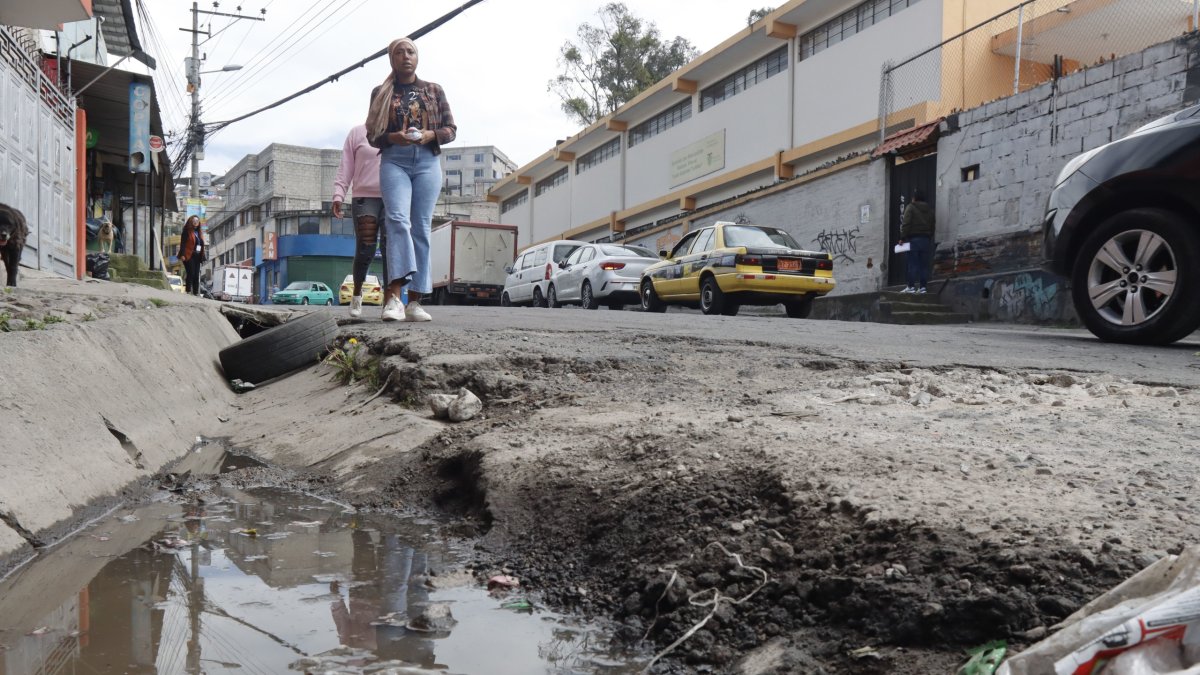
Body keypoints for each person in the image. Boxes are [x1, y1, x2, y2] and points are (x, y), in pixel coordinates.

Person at [366, 37, 457, 322]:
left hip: (427, 161)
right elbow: (372, 136)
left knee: (420, 226)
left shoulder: (433, 90)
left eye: (411, 51)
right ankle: (393, 298)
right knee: (397, 221)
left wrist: (432, 135)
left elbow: (451, 129)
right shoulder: (381, 92)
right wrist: (395, 137)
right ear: (391, 60)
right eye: (399, 52)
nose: (406, 56)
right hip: (395, 159)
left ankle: (415, 301)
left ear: (417, 57)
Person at [333, 124, 389, 318]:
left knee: (391, 246)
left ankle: (390, 300)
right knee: (366, 247)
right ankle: (357, 292)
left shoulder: (397, 129)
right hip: (364, 197)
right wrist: (339, 194)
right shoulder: (357, 133)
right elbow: (346, 165)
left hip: (393, 195)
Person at [898, 189, 935, 294]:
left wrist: (902, 238)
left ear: (914, 198)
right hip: (925, 240)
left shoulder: (911, 207)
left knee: (912, 264)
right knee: (924, 265)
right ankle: (923, 288)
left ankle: (910, 287)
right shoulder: (930, 210)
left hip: (913, 240)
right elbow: (933, 226)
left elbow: (906, 224)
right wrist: (928, 237)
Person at [176, 215, 206, 295]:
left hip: (197, 256)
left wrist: (203, 256)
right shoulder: (186, 231)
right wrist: (182, 255)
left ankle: (196, 293)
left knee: (196, 275)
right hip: (188, 255)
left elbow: (202, 245)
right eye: (194, 220)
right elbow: (183, 244)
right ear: (190, 221)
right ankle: (188, 291)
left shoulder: (199, 232)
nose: (196, 222)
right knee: (191, 273)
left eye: (197, 220)